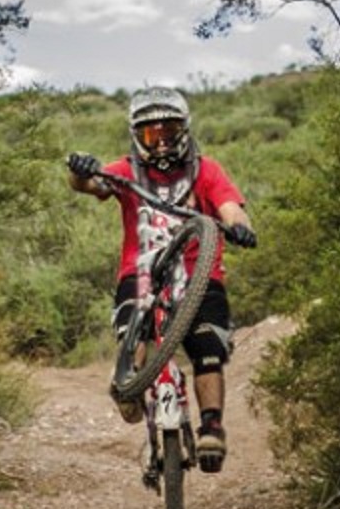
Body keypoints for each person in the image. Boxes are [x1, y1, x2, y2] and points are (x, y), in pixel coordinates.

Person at [65, 86, 256, 473]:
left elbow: (231, 208)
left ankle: (212, 428)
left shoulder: (206, 169)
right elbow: (91, 185)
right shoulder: (127, 171)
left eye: (170, 130)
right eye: (153, 133)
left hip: (200, 277)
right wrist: (80, 171)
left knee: (208, 347)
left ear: (185, 129)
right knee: (132, 334)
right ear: (137, 135)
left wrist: (239, 228)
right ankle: (131, 384)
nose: (163, 140)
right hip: (140, 274)